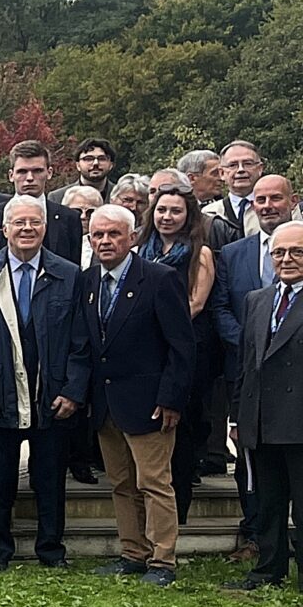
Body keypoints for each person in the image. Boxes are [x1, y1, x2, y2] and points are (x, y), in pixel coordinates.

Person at [0, 197, 90, 572]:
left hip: (52, 396)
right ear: (4, 229)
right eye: (19, 223)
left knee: (50, 481)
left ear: (45, 228)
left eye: (34, 222)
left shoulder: (69, 275)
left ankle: (51, 550)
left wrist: (73, 391)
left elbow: (82, 340)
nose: (27, 229)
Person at [85, 204, 196, 583]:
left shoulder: (160, 278)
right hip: (106, 404)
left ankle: (163, 560)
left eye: (114, 234)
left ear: (132, 238)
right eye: (98, 234)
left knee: (154, 483)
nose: (105, 241)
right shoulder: (89, 282)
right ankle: (133, 553)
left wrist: (171, 399)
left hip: (150, 404)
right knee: (121, 484)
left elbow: (182, 346)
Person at [140, 183, 238, 519]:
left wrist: (159, 323)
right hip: (149, 348)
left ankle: (178, 508)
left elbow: (196, 302)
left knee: (181, 429)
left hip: (188, 346)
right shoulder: (141, 250)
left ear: (189, 215)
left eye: (175, 211)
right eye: (161, 210)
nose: (167, 217)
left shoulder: (200, 253)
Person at [232, 223, 303, 591]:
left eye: (297, 252)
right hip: (259, 418)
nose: (286, 259)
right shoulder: (257, 299)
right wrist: (237, 417)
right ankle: (268, 571)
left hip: (298, 418)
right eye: (279, 252)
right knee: (268, 501)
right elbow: (246, 362)